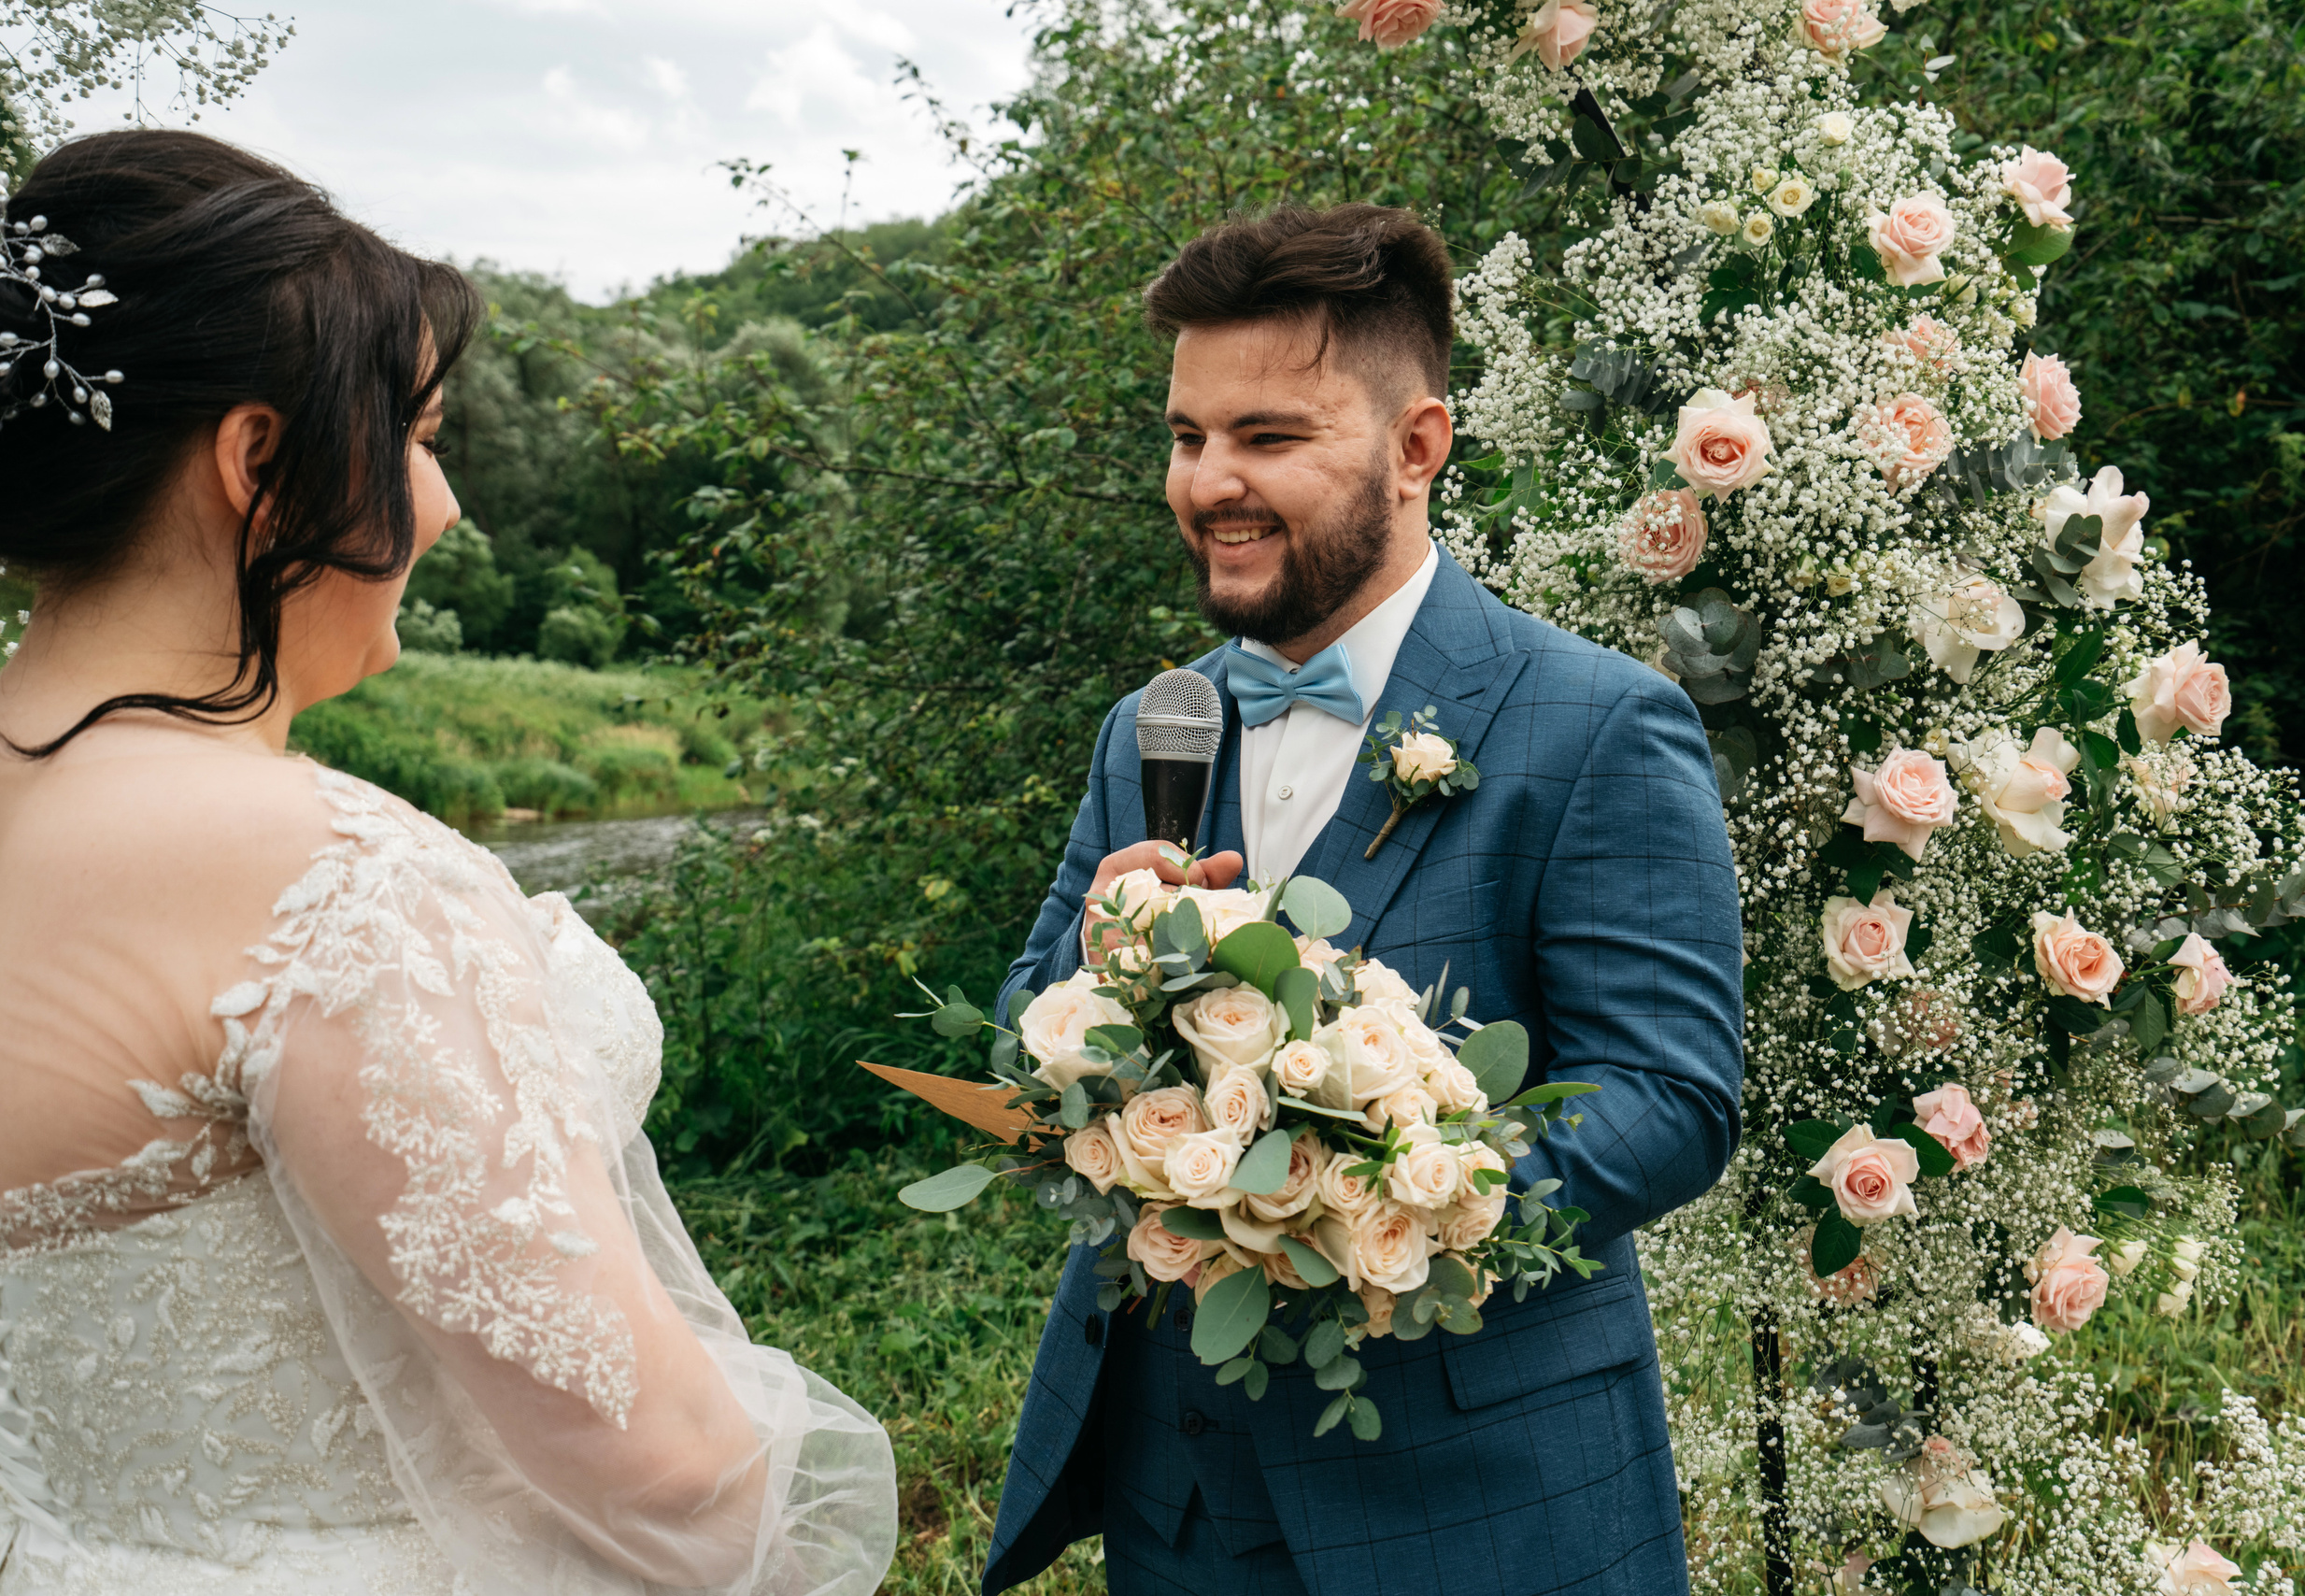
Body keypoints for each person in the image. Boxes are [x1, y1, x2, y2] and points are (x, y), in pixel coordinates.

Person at [0, 131, 896, 1595]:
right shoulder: (325, 874)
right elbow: (665, 1471)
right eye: (417, 438)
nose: (447, 506)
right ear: (261, 463)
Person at [980, 204, 1745, 1595]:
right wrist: (1094, 983)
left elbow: (1674, 1100)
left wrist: (1368, 1196)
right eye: (1186, 436)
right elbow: (1017, 1034)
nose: (1210, 481)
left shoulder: (1597, 726)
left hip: (1479, 1506)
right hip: (1182, 1501)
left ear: (1417, 448)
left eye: (1269, 437)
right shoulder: (1153, 724)